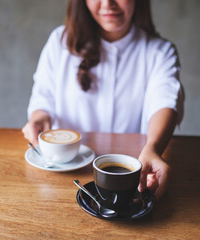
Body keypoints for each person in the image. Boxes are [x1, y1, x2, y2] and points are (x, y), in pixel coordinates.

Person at [22, 0, 184, 200]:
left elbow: (164, 102)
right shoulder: (59, 41)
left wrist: (153, 148)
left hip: (131, 178)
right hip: (65, 179)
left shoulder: (160, 51)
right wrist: (39, 118)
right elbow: (42, 97)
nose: (108, 4)